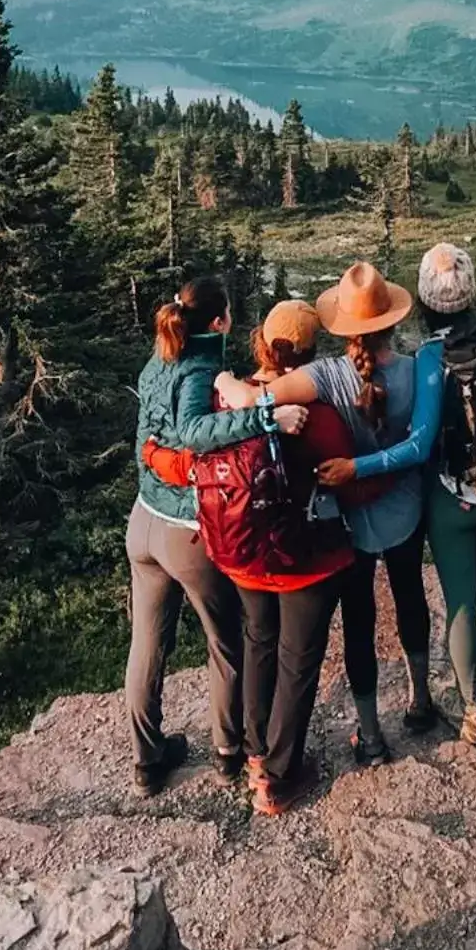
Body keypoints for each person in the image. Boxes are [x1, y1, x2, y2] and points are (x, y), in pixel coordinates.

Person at [145, 299, 366, 815]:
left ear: (263, 343)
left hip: (242, 555)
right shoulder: (320, 414)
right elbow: (347, 486)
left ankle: (253, 755)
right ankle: (281, 777)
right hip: (305, 560)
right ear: (311, 353)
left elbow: (194, 461)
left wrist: (152, 455)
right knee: (297, 661)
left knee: (258, 643)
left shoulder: (227, 399)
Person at [216, 260, 437, 761]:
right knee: (410, 599)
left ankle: (371, 736)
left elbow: (260, 399)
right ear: (392, 321)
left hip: (351, 522)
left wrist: (229, 384)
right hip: (404, 511)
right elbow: (422, 443)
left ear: (341, 327)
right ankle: (420, 700)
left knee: (360, 620)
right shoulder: (417, 369)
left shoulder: (324, 375)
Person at [317, 244, 476, 753]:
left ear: (426, 304)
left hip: (453, 499)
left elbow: (420, 443)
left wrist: (356, 467)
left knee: (460, 602)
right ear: (472, 292)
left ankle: (472, 714)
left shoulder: (430, 359)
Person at [127, 274, 308, 795]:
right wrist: (265, 418)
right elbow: (193, 431)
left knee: (146, 644)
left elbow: (151, 437)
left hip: (143, 521)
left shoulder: (159, 357)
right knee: (226, 642)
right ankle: (228, 750)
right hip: (186, 531)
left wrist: (161, 463)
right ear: (220, 321)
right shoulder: (203, 366)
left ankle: (146, 760)